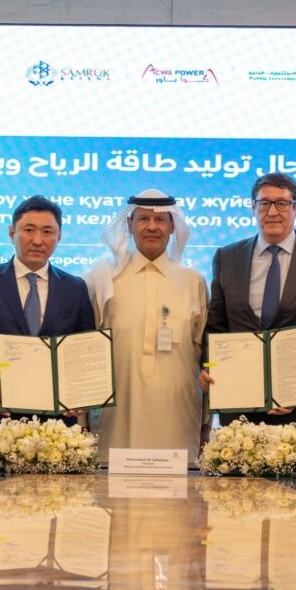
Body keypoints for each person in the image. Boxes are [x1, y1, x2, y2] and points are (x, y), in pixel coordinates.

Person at [199, 172, 296, 449]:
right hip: (239, 410)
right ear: (253, 207)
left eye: (282, 203)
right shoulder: (227, 257)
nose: (272, 212)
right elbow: (216, 329)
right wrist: (208, 366)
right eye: (264, 203)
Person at [0, 195, 95, 445]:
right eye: (29, 230)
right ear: (12, 233)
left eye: (47, 231)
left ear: (59, 236)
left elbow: (85, 350)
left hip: (58, 424)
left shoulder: (75, 288)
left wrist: (81, 393)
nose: (38, 240)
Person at [85, 189, 209, 458]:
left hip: (177, 419)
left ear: (173, 226)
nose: (152, 227)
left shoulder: (194, 281)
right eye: (143, 219)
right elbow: (85, 352)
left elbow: (205, 356)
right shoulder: (103, 278)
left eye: (161, 219)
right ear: (129, 224)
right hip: (117, 419)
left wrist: (207, 423)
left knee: (177, 485)